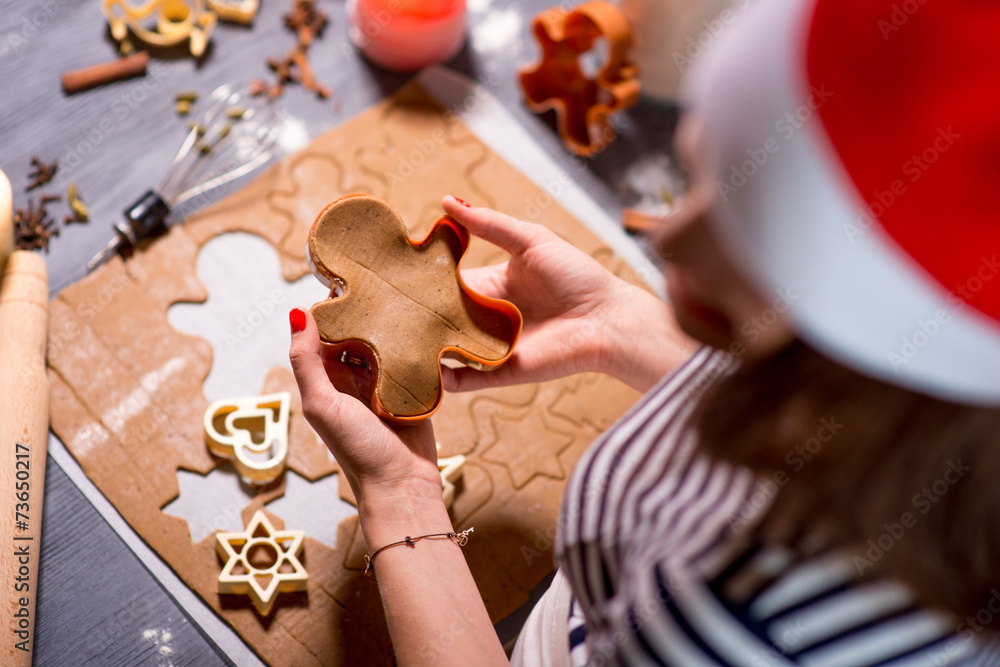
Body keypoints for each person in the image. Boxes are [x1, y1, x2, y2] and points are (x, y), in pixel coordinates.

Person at [288, 0, 1000, 663]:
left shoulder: (748, 622)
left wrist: (400, 497)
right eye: (696, 179)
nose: (666, 242)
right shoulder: (916, 408)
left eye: (747, 238)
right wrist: (616, 324)